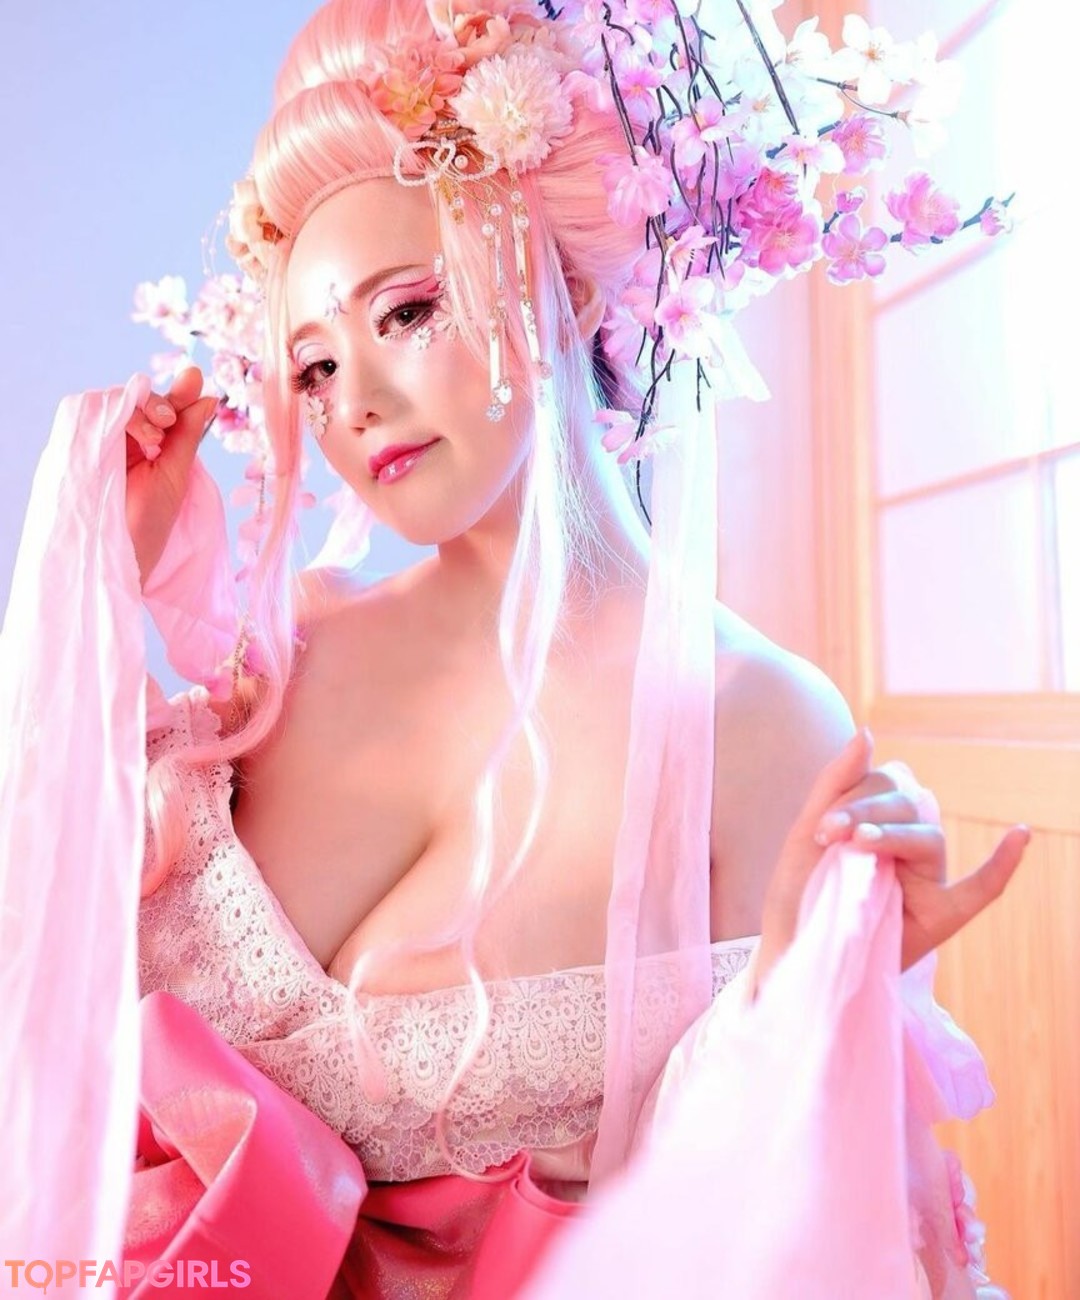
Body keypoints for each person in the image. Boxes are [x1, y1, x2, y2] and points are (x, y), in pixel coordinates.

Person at [0, 1, 1026, 1296]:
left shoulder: (757, 724)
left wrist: (814, 993)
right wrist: (95, 595)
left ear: (559, 280)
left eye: (406, 311)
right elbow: (48, 1024)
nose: (354, 404)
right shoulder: (284, 665)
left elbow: (779, 1222)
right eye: (313, 369)